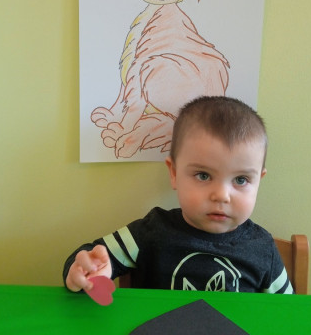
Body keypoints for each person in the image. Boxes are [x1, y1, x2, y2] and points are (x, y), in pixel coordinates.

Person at [63, 96, 293, 294]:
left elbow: (290, 312)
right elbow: (91, 258)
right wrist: (85, 271)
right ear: (174, 173)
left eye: (241, 180)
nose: (222, 196)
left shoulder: (263, 249)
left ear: (259, 181)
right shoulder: (152, 231)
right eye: (203, 175)